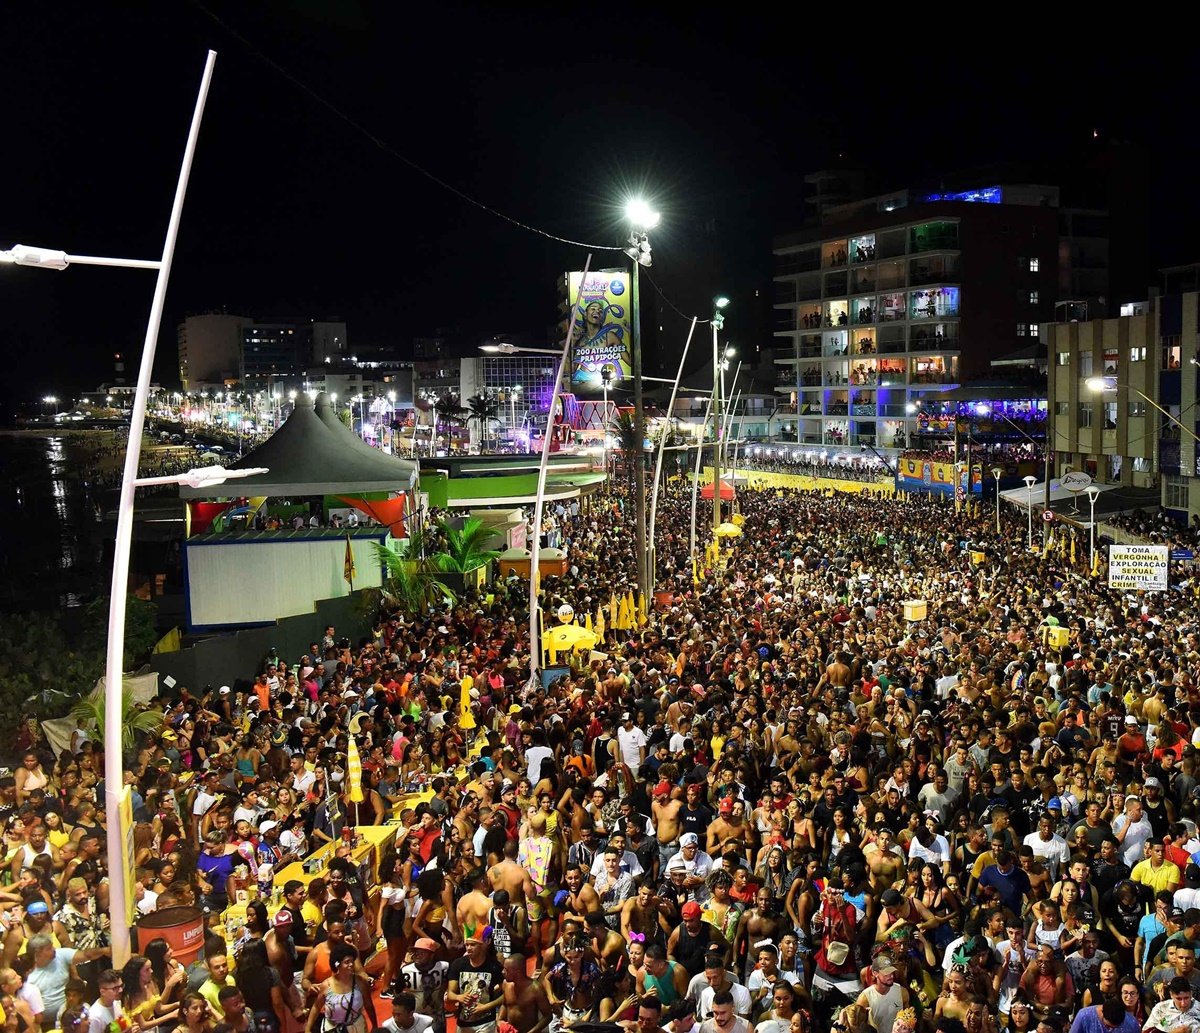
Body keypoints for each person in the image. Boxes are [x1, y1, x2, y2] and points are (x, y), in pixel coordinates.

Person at [305, 944, 376, 1033]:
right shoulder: (326, 985)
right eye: (347, 962)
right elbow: (316, 1007)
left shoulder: (360, 982)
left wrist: (375, 1025)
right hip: (331, 1029)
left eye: (352, 961)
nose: (351, 964)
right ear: (337, 964)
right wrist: (308, 1029)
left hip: (356, 1028)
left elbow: (369, 1005)